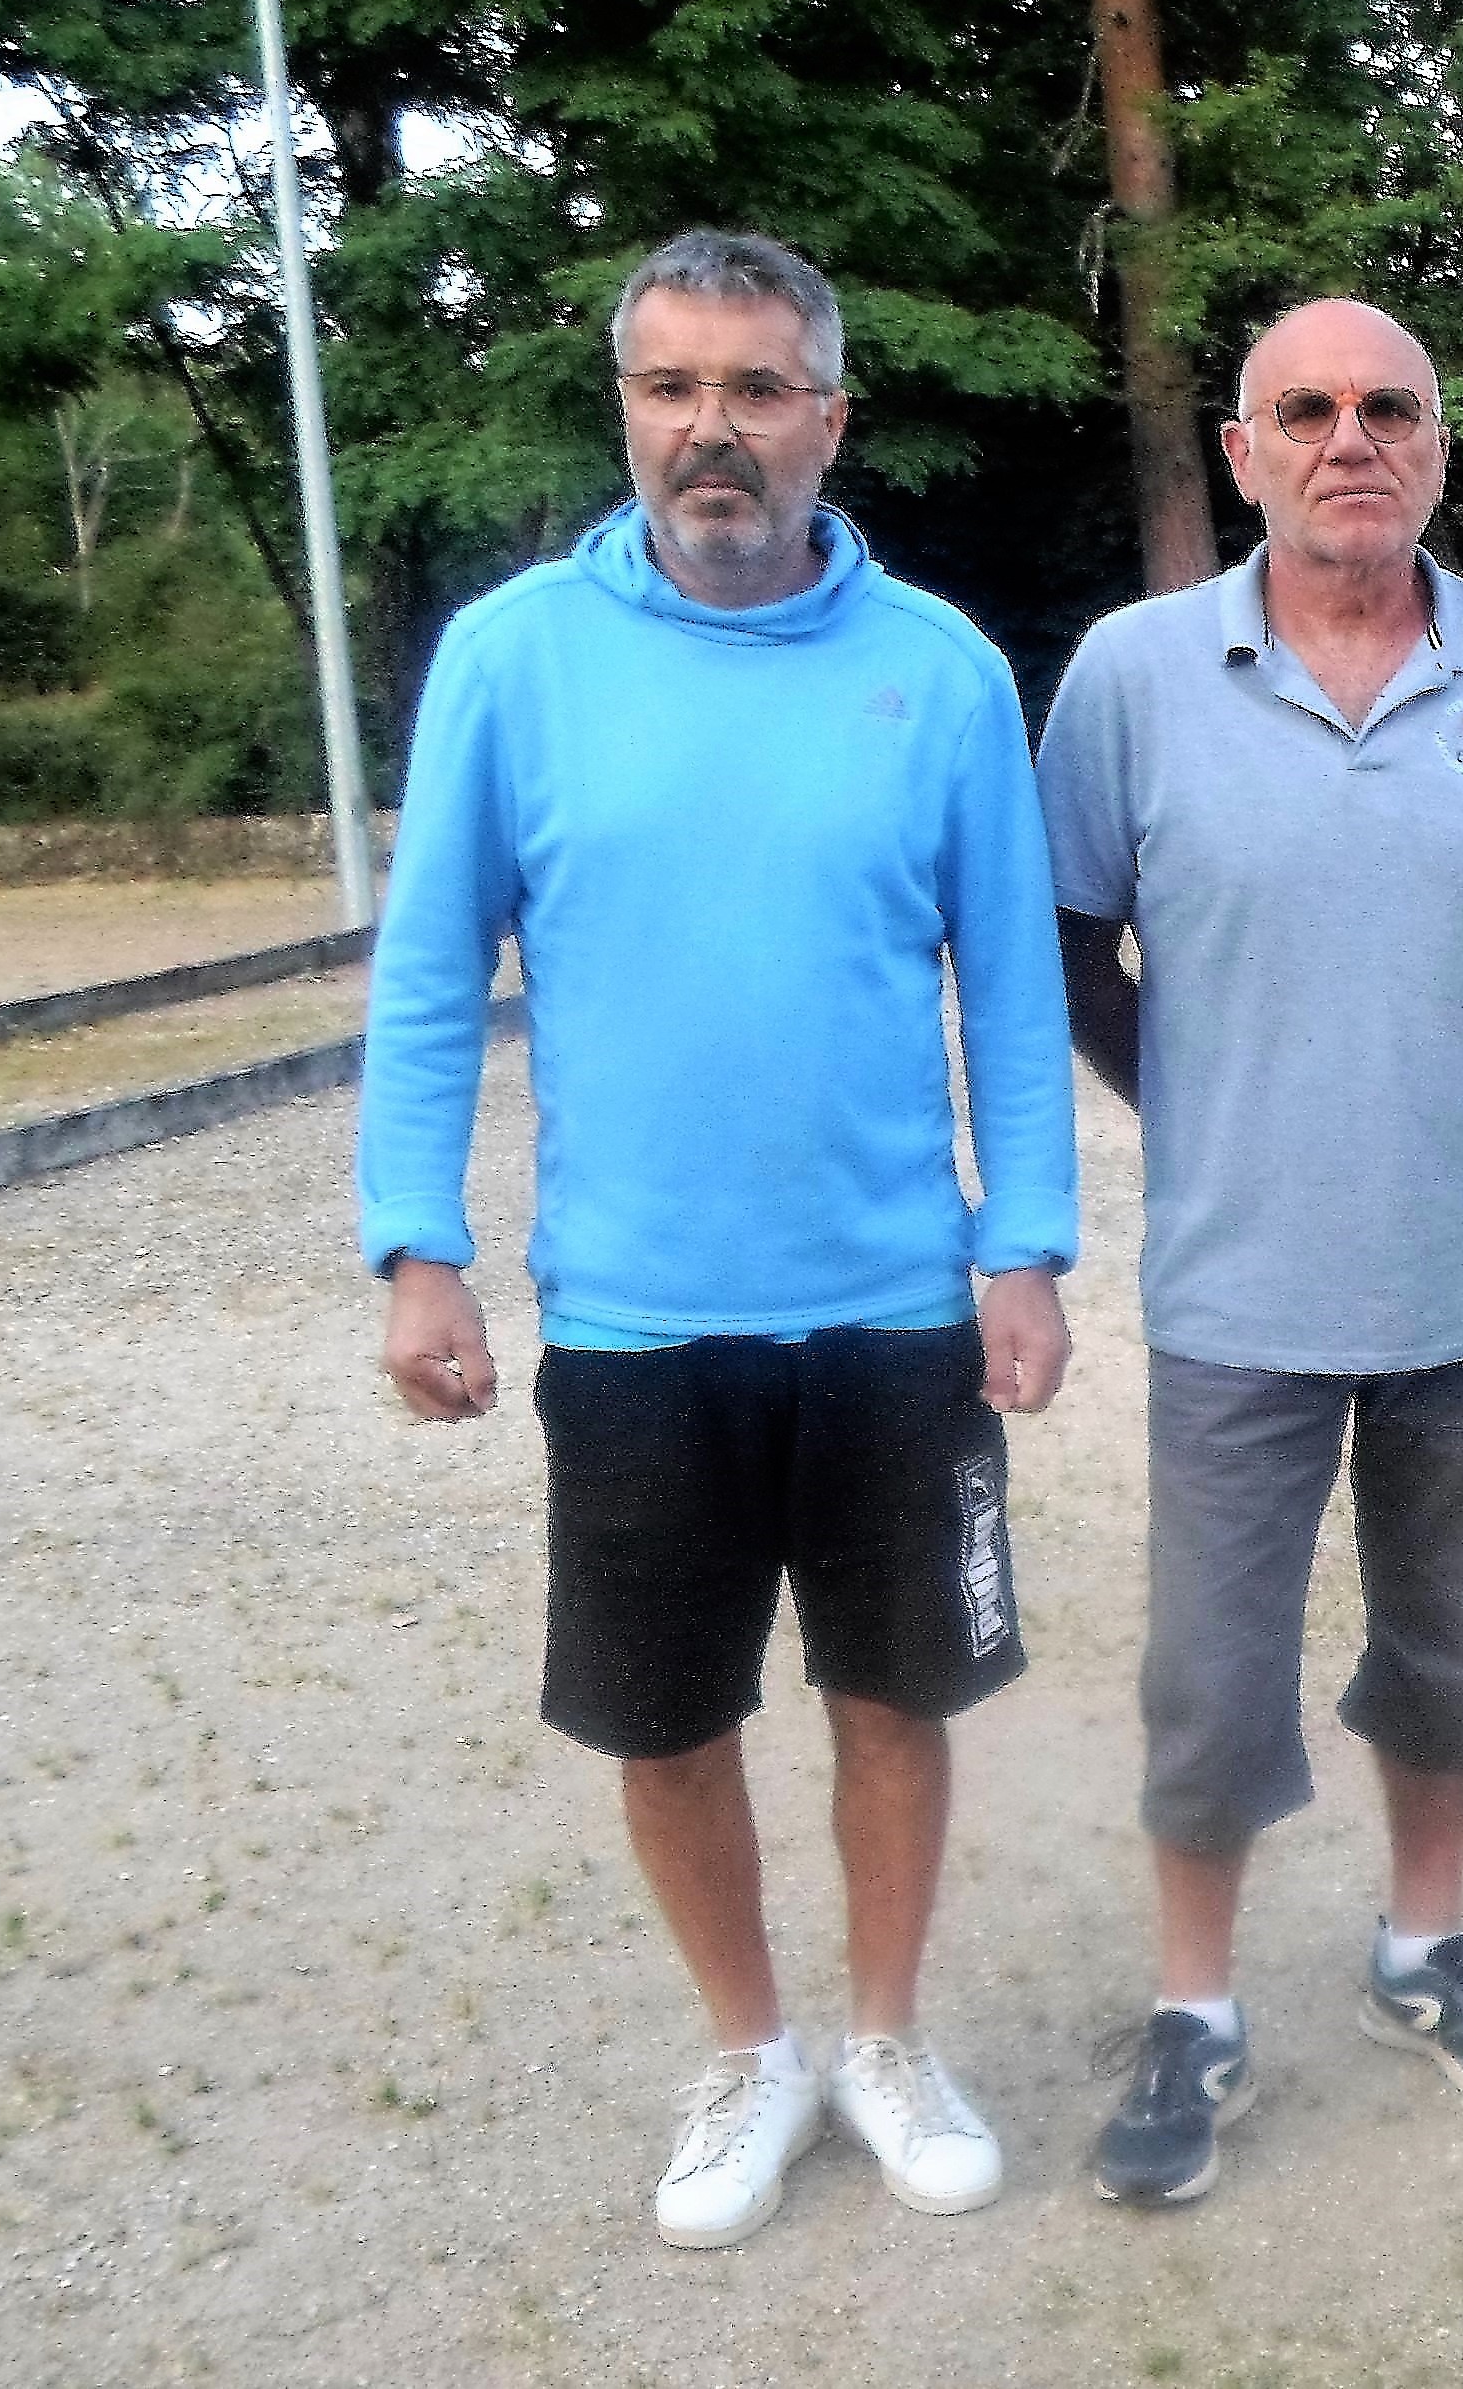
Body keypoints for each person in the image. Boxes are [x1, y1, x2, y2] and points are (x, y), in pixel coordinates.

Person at [358, 228, 1078, 2247]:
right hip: (633, 1318)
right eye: (671, 387)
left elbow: (1009, 988)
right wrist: (416, 1241)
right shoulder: (511, 661)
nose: (711, 430)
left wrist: (1022, 1241)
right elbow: (429, 977)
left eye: (757, 389)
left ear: (828, 420)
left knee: (893, 1696)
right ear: (625, 411)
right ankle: (750, 2047)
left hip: (887, 1306)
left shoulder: (935, 670)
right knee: (667, 1715)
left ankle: (882, 2034)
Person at [1037, 297, 1463, 2205]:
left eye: (1390, 405)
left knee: (1442, 1648)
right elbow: (1071, 944)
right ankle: (1196, 2008)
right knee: (1212, 1675)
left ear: (1439, 446)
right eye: (1302, 409)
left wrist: (1458, 1091)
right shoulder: (1134, 677)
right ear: (1242, 454)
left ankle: (1422, 1943)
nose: (1348, 438)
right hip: (1243, 1287)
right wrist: (1223, 1108)